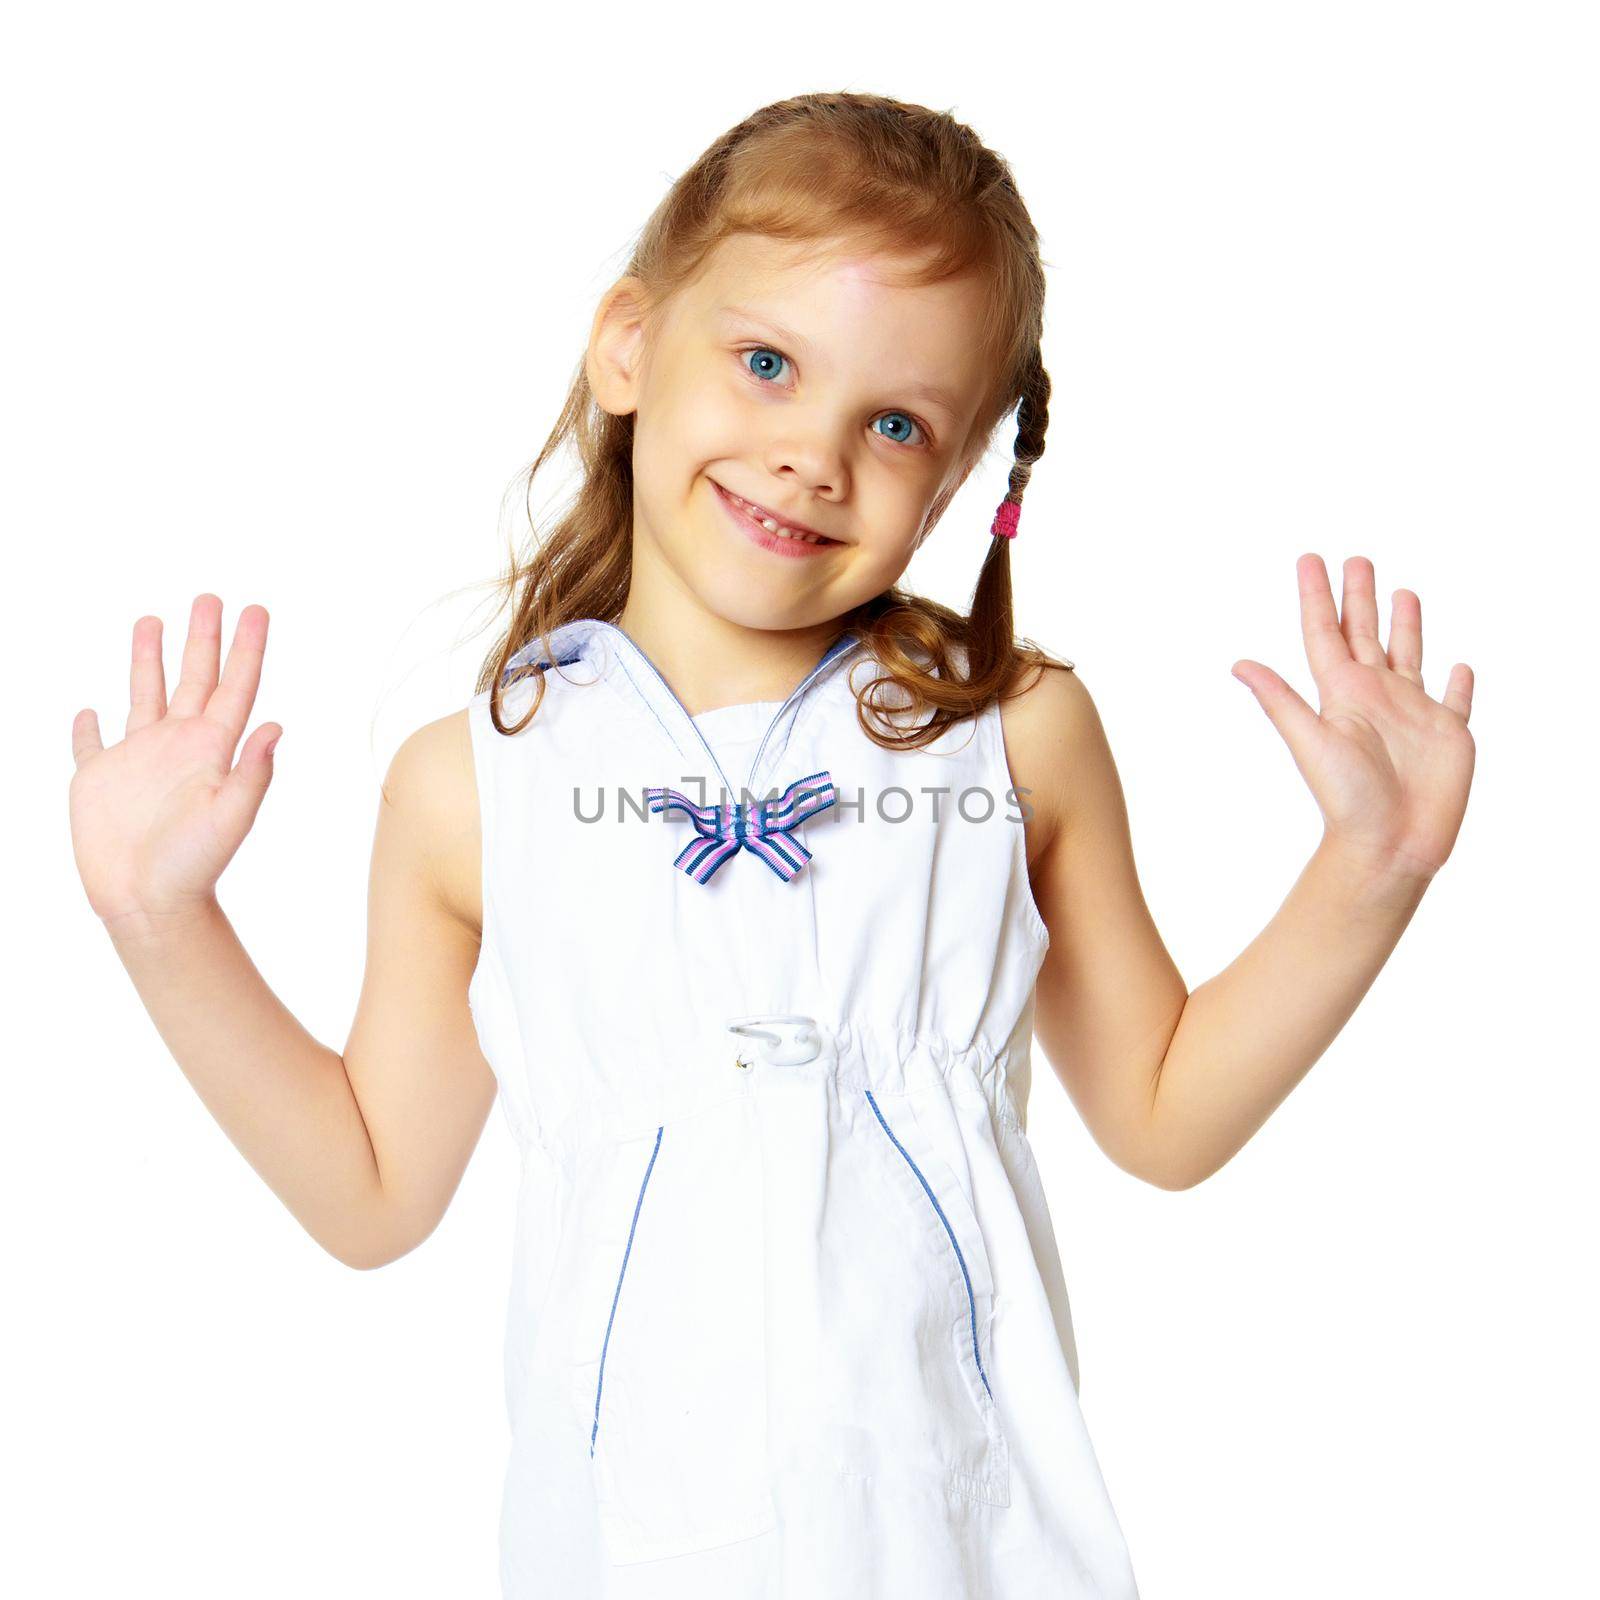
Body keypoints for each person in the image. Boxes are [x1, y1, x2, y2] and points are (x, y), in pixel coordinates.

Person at [66, 92, 1477, 1598]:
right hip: (626, 1548)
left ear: (959, 477)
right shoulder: (476, 784)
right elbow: (369, 1191)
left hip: (966, 1545)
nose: (812, 456)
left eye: (893, 424)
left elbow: (1162, 1114)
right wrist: (162, 916)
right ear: (629, 345)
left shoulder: (1011, 732)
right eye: (765, 362)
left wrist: (1370, 869)